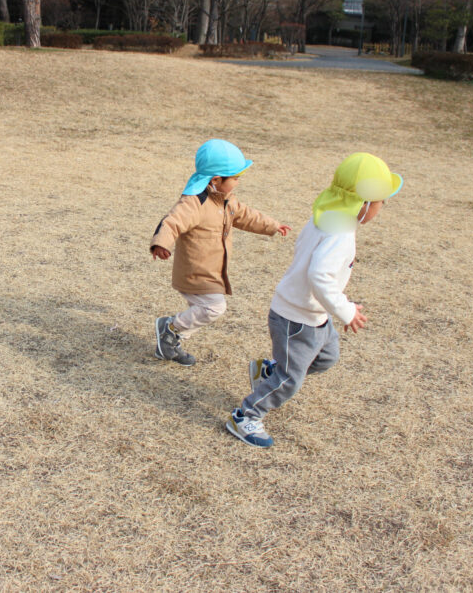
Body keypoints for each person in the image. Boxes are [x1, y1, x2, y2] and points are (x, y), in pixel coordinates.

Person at [227, 152, 402, 448]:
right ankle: (245, 415)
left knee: (326, 357)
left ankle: (268, 372)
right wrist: (345, 311)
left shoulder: (327, 216)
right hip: (296, 320)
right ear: (363, 203)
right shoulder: (340, 232)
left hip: (315, 316)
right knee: (290, 380)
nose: (382, 208)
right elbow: (319, 274)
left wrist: (337, 307)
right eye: (381, 202)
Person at [151, 139, 290, 366]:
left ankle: (169, 339)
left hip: (213, 271)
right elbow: (171, 222)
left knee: (203, 309)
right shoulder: (195, 203)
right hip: (195, 271)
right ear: (216, 180)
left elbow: (246, 216)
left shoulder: (227, 200)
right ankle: (170, 329)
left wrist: (272, 226)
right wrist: (161, 243)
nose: (238, 182)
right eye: (235, 178)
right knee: (214, 307)